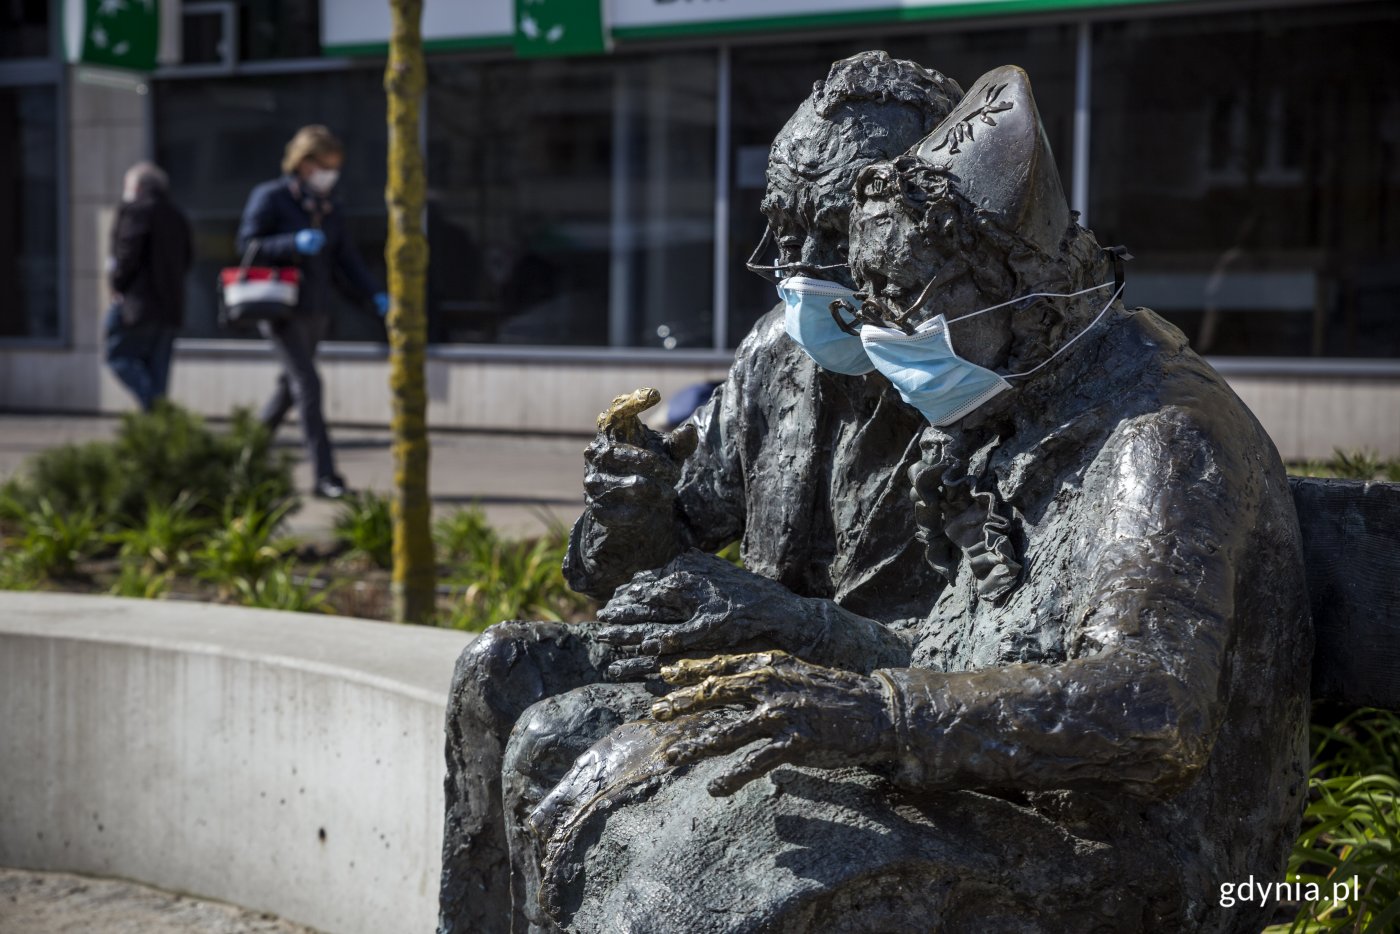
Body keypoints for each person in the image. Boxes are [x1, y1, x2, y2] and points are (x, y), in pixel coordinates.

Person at [522, 66, 1312, 934]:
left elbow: (1156, 707)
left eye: (902, 296)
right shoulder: (1005, 392)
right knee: (629, 785)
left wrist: (873, 709)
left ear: (1008, 282)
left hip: (1142, 852)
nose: (879, 328)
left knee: (716, 863)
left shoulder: (1155, 434)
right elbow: (960, 643)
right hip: (1003, 784)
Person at [437, 51, 965, 934]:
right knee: (499, 669)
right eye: (780, 225)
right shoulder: (776, 354)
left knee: (554, 742)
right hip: (740, 673)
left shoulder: (972, 377)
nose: (790, 263)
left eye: (826, 233)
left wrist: (796, 627)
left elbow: (1000, 662)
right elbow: (633, 570)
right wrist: (632, 511)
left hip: (875, 712)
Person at [236, 125, 388, 500]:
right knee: (309, 386)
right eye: (326, 166)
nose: (330, 175)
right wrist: (293, 242)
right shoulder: (271, 197)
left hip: (316, 310)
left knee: (290, 390)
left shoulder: (329, 207)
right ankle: (325, 477)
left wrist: (375, 293)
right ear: (304, 163)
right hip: (280, 309)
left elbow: (346, 258)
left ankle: (239, 462)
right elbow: (246, 244)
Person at [105, 162, 193, 411]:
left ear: (139, 187)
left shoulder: (136, 211)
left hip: (138, 304)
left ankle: (157, 412)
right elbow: (188, 258)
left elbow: (126, 255)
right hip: (171, 307)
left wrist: (117, 284)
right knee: (158, 372)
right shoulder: (177, 215)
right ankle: (159, 429)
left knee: (118, 356)